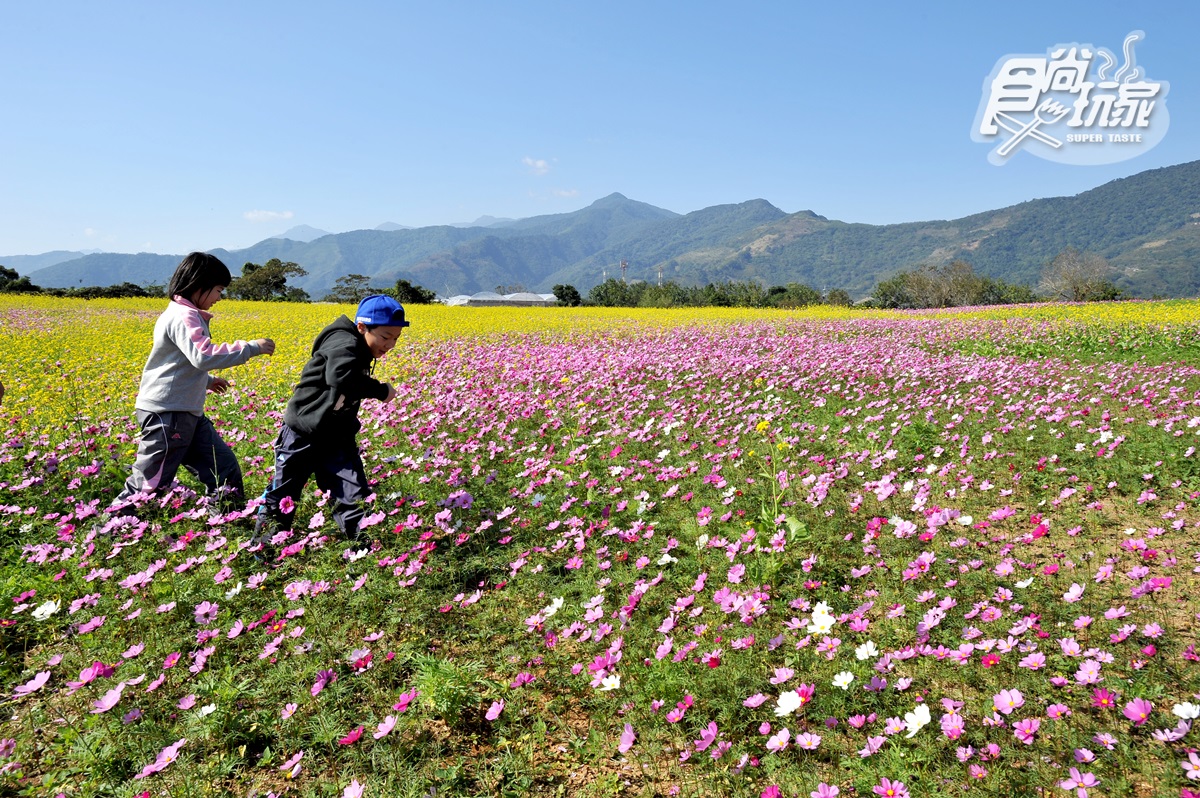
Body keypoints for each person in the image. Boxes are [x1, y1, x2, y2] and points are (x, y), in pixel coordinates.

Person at [113, 252, 275, 514]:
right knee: (148, 485)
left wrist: (207, 381)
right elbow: (202, 354)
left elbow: (179, 361)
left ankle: (226, 524)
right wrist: (250, 347)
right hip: (168, 415)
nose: (219, 298)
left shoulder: (183, 313)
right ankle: (110, 532)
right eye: (218, 290)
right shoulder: (183, 315)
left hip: (183, 411)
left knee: (222, 467)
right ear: (200, 284)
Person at [256, 294, 407, 544]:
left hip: (337, 436)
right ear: (362, 327)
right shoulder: (343, 342)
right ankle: (262, 552)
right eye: (385, 337)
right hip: (303, 433)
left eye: (395, 339)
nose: (390, 344)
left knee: (354, 494)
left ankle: (363, 552)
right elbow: (340, 376)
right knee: (283, 499)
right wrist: (380, 391)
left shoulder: (360, 346)